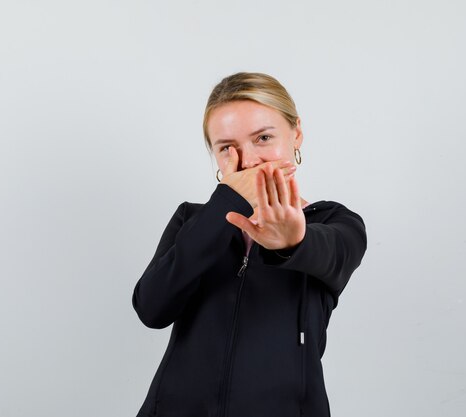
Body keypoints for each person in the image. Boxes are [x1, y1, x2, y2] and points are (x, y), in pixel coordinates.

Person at [132, 72, 367, 417]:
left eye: (263, 138)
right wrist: (224, 204)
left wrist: (292, 241)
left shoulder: (334, 222)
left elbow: (330, 253)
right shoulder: (191, 221)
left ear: (296, 134)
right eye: (227, 147)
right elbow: (152, 309)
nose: (249, 160)